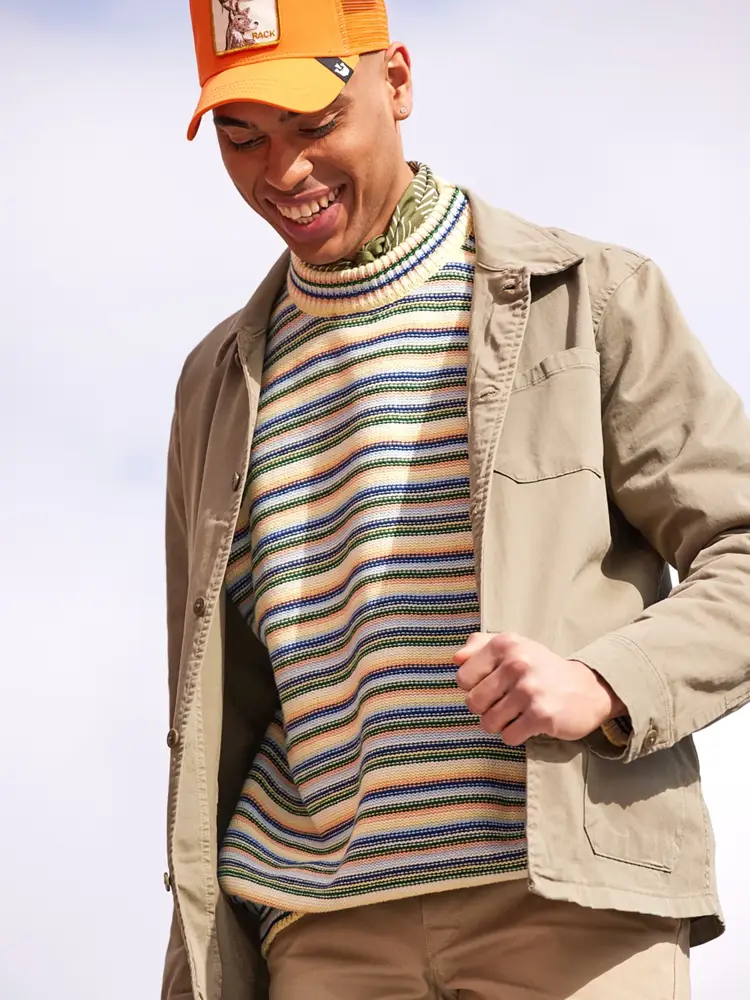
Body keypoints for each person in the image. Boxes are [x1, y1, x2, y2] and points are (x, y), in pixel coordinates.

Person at [162, 2, 750, 998]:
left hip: (566, 914)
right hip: (319, 937)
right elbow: (215, 710)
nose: (283, 171)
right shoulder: (214, 383)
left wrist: (608, 682)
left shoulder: (592, 297)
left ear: (396, 82)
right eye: (242, 135)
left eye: (314, 124)